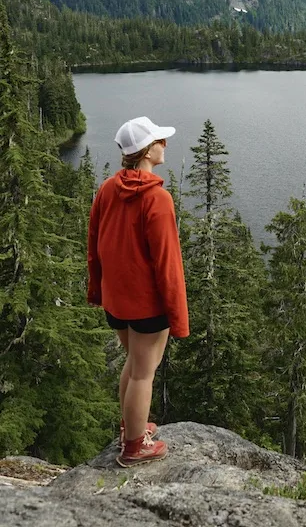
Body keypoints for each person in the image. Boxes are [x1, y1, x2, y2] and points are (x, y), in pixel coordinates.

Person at [87, 116, 189, 467]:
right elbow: (168, 265)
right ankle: (134, 447)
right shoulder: (157, 199)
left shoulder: (107, 188)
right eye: (161, 139)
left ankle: (130, 426)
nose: (165, 144)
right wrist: (179, 318)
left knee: (133, 364)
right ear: (147, 150)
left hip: (116, 301)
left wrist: (97, 289)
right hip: (148, 306)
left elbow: (94, 245)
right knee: (144, 372)